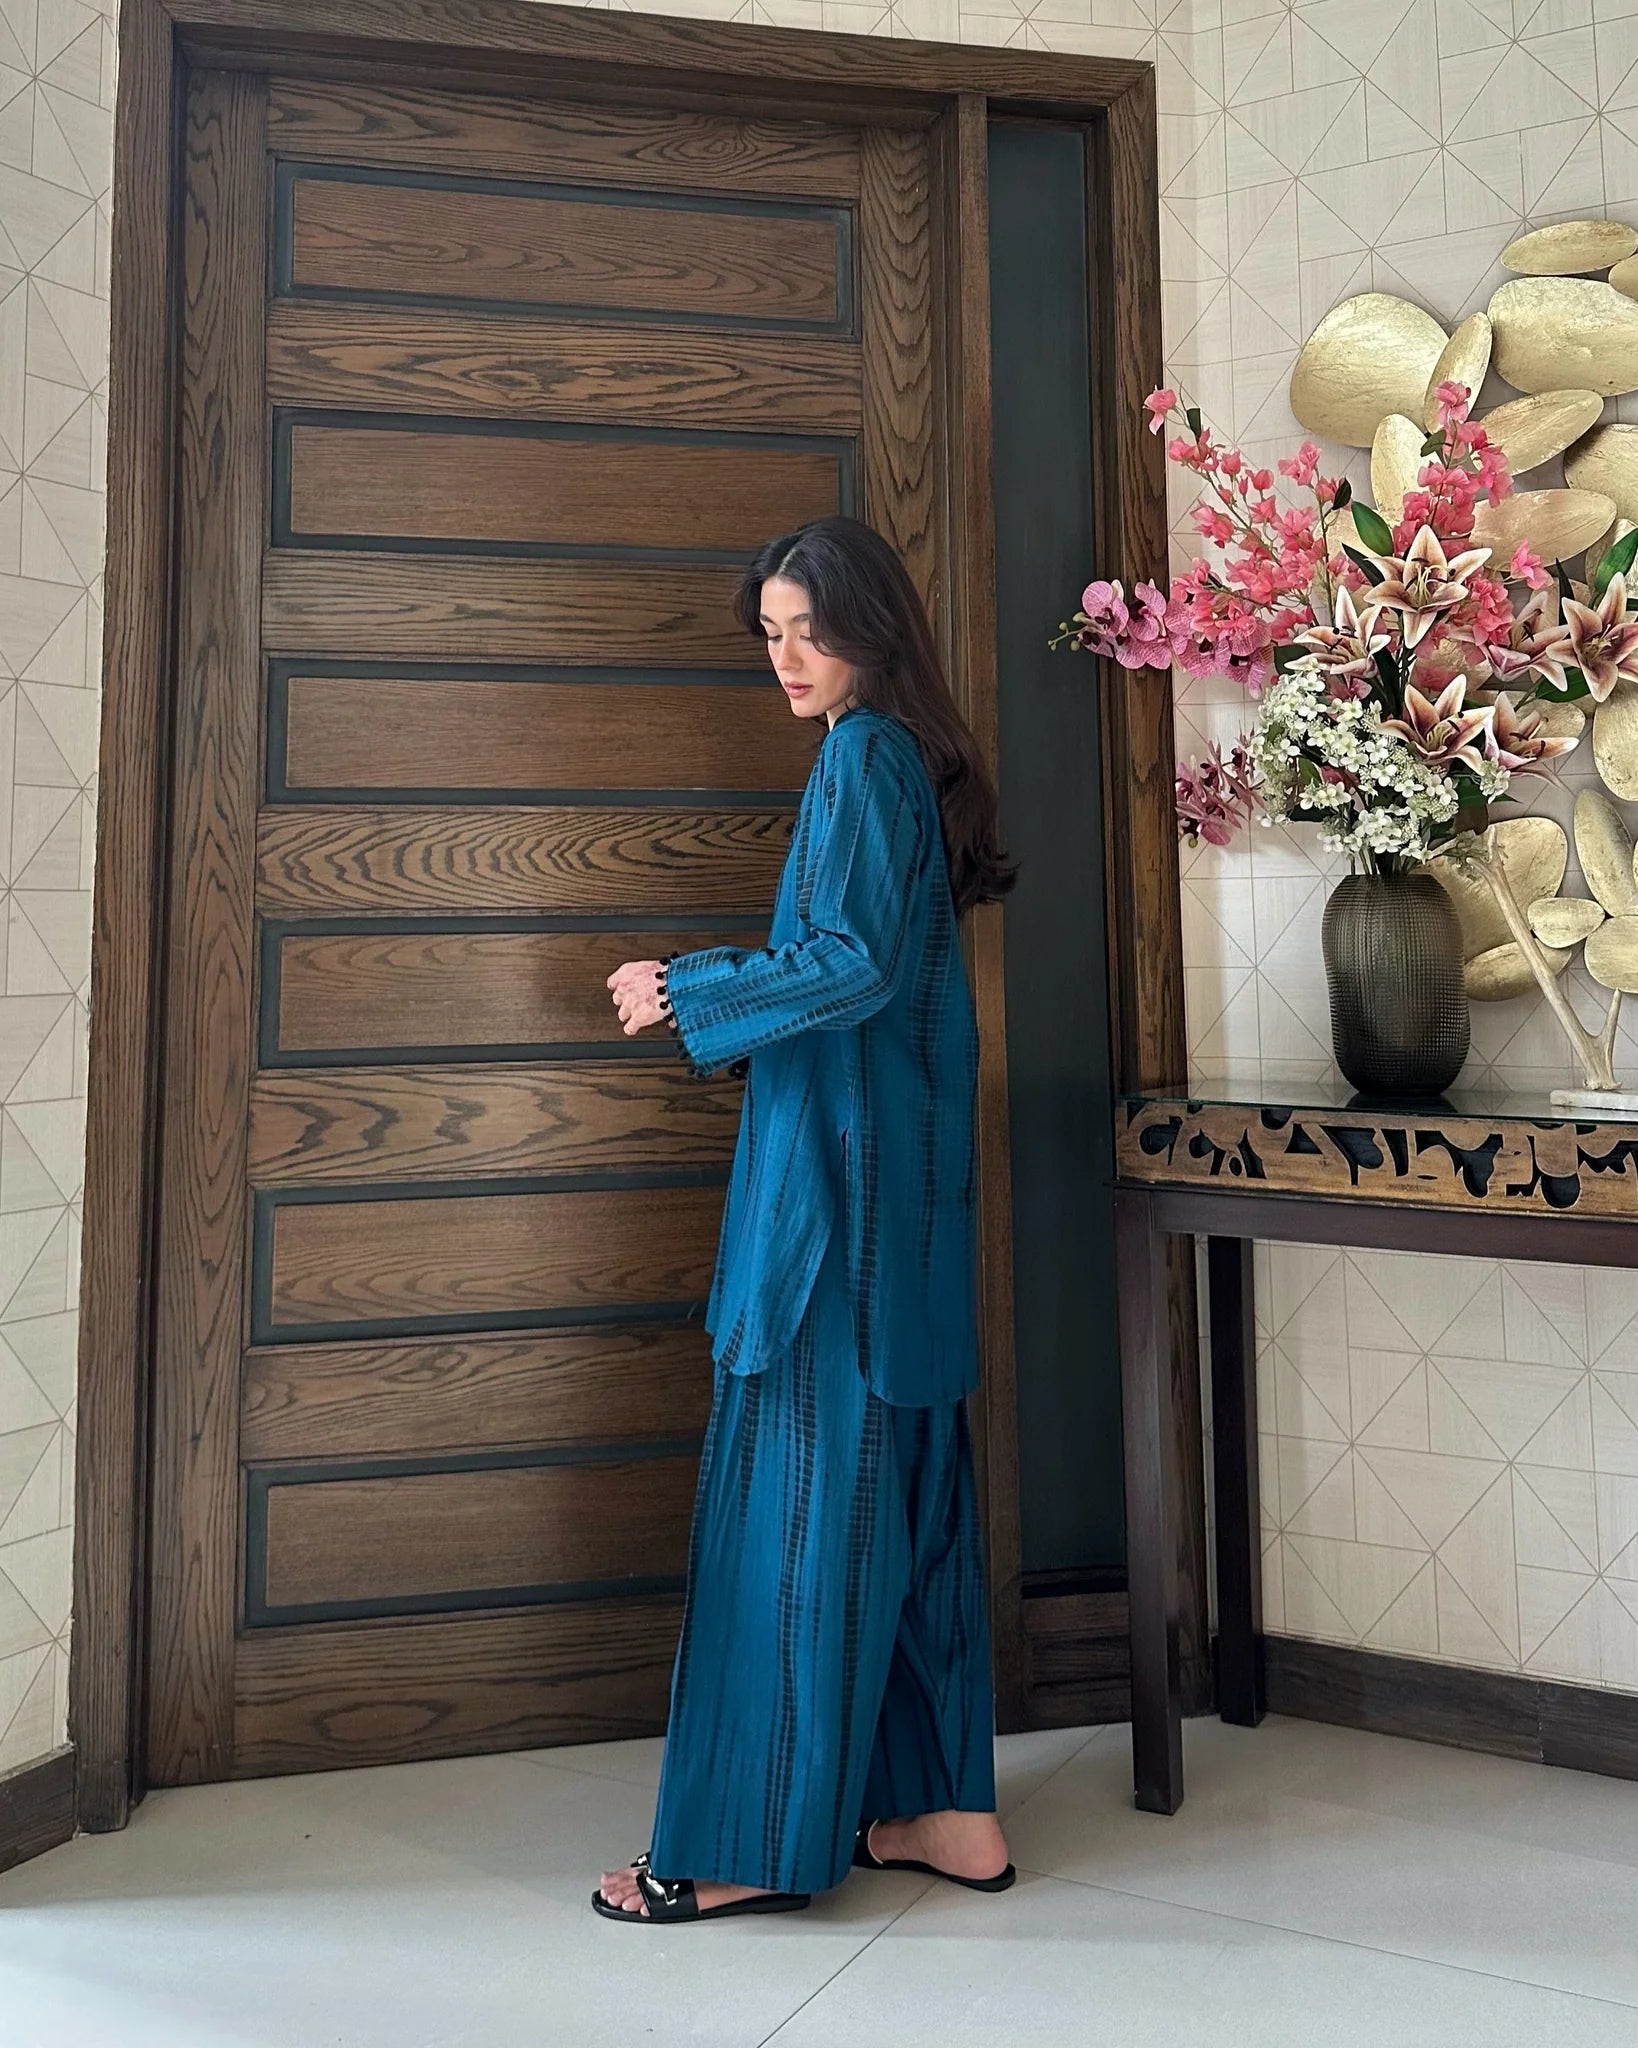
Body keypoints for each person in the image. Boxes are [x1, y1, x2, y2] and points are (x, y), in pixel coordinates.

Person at [593, 514, 1018, 1925]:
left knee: (792, 1514)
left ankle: (742, 1849)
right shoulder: (908, 761)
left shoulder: (859, 757)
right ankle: (946, 1815)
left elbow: (845, 965)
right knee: (914, 1509)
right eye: (771, 635)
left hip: (836, 1215)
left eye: (808, 631)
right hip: (906, 1215)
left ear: (869, 628)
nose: (786, 658)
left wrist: (688, 987)